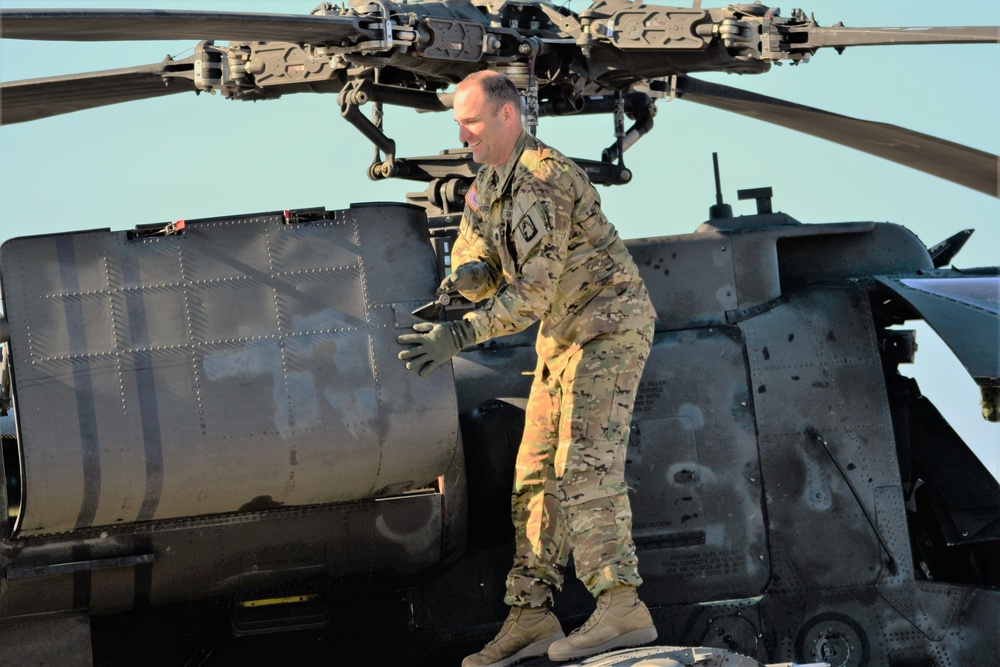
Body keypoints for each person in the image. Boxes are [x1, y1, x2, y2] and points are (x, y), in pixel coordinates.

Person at [397, 70, 657, 666]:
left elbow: (533, 296)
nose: (461, 133)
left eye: (471, 121)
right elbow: (478, 250)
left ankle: (621, 604)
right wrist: (465, 280)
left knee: (581, 462)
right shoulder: (489, 182)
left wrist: (459, 333)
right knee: (535, 473)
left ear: (508, 117)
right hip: (563, 339)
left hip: (607, 328)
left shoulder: (544, 180)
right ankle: (532, 614)